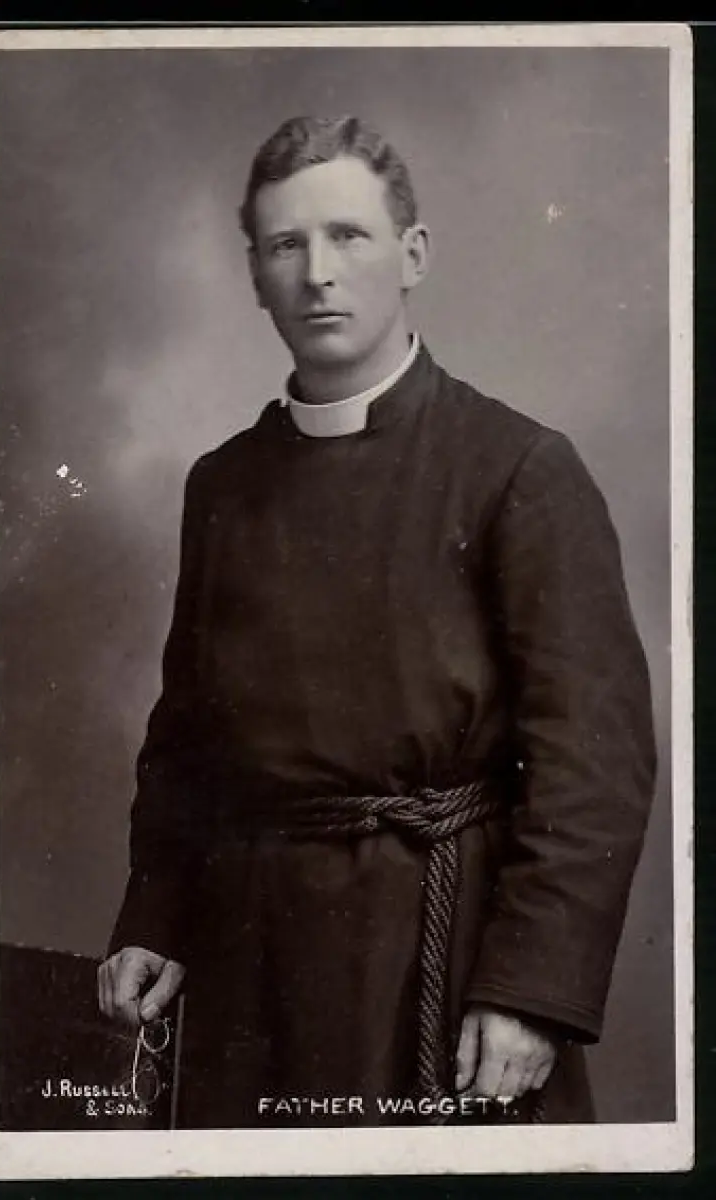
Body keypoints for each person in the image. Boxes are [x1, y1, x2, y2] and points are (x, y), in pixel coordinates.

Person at [97, 115, 656, 1127]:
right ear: (255, 275)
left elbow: (595, 763)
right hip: (247, 966)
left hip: (439, 965)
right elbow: (187, 742)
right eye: (285, 244)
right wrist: (154, 916)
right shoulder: (222, 485)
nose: (318, 273)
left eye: (348, 235)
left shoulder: (518, 468)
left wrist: (530, 990)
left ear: (413, 255)